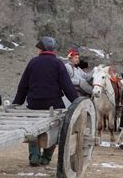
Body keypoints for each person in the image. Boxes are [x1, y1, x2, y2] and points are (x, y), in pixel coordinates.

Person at [13, 37, 78, 166]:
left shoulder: (33, 62)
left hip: (34, 104)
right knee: (56, 129)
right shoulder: (58, 63)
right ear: (53, 50)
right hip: (53, 104)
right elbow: (67, 86)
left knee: (32, 129)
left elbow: (23, 85)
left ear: (40, 49)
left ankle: (34, 156)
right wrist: (77, 101)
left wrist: (18, 102)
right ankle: (46, 158)